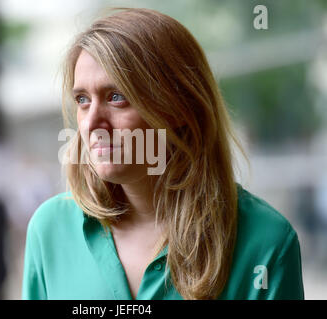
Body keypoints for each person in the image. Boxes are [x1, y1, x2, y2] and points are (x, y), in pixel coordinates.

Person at [22, 8, 304, 300]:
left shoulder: (266, 243)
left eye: (117, 97)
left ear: (180, 108)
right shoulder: (50, 230)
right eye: (82, 99)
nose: (92, 123)